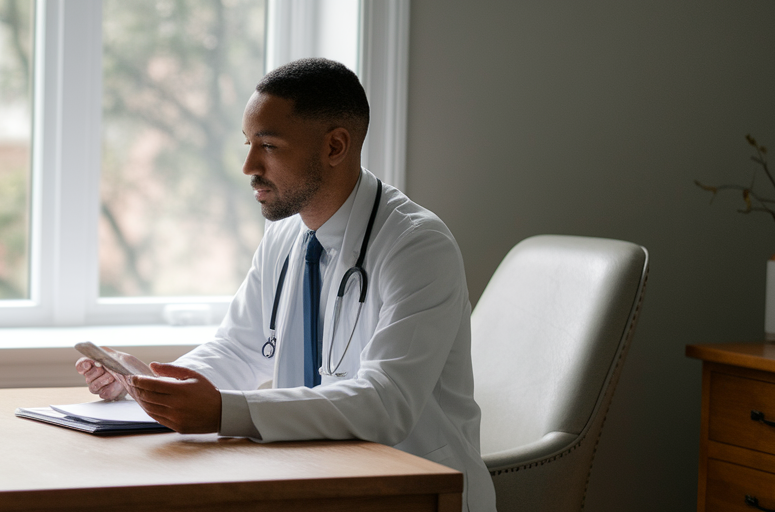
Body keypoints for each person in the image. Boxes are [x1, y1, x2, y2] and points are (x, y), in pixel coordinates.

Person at [75, 58, 497, 511]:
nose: (248, 165)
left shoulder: (416, 245)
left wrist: (225, 411)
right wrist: (152, 386)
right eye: (248, 143)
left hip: (409, 489)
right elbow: (240, 348)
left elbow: (385, 402)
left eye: (269, 146)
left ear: (335, 146)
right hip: (312, 477)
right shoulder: (286, 235)